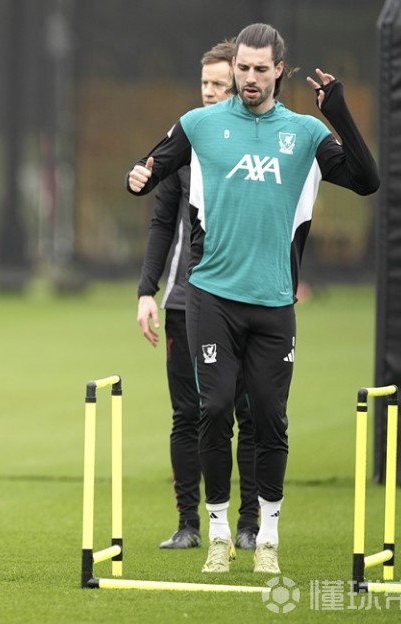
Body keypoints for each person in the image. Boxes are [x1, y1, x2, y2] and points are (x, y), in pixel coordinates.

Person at [126, 23, 378, 575]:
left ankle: (267, 535)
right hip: (211, 295)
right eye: (242, 68)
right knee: (214, 408)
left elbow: (367, 180)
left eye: (261, 69)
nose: (249, 78)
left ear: (279, 70)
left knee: (268, 417)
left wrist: (338, 112)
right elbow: (150, 166)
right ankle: (217, 531)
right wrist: (139, 176)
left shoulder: (305, 133)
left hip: (274, 300)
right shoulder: (200, 124)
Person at [136, 39, 259, 552]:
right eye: (205, 83)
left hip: (246, 301)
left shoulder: (258, 147)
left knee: (247, 414)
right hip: (185, 302)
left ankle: (250, 526)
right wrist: (147, 291)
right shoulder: (184, 144)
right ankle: (189, 524)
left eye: (220, 85)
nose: (209, 93)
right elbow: (162, 222)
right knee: (188, 414)